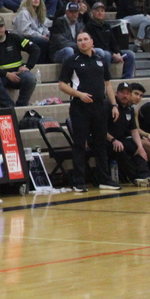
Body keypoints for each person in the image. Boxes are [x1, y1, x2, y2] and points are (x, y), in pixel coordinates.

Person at [58, 31, 119, 192]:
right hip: (80, 108)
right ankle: (78, 182)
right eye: (79, 40)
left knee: (100, 144)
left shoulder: (101, 60)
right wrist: (79, 95)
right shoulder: (72, 61)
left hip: (100, 107)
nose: (82, 42)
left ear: (92, 42)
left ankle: (104, 179)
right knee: (79, 144)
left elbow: (108, 84)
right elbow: (62, 85)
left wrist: (114, 105)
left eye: (85, 39)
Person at [0, 16, 39, 108]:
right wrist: (7, 74)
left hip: (18, 74)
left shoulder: (14, 38)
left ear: (5, 27)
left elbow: (35, 49)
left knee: (30, 78)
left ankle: (21, 105)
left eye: (1, 26)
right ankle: (9, 106)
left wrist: (28, 66)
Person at [107, 83, 150, 184]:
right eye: (122, 93)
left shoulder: (129, 109)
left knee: (136, 146)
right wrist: (113, 140)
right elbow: (99, 129)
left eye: (127, 93)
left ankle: (145, 176)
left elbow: (134, 130)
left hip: (120, 139)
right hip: (106, 140)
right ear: (116, 93)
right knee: (120, 148)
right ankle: (134, 177)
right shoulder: (108, 106)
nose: (125, 96)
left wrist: (140, 147)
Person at [86, 1, 135, 78]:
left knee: (130, 54)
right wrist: (113, 54)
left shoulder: (107, 25)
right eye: (97, 11)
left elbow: (113, 42)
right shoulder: (89, 26)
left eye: (102, 11)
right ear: (92, 12)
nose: (100, 13)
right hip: (98, 52)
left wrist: (118, 53)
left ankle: (126, 78)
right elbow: (97, 44)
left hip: (111, 52)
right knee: (106, 54)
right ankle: (106, 78)